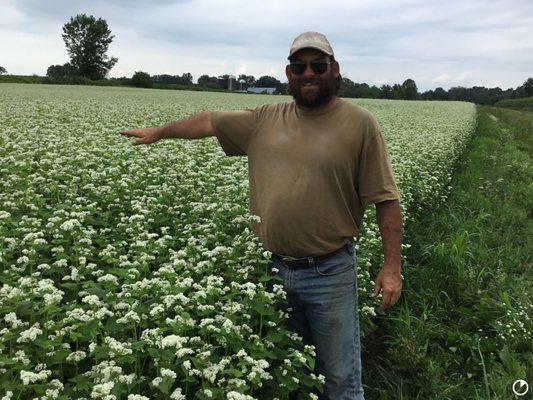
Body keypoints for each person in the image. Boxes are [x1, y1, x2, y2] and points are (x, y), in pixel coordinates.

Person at [121, 31, 403, 400]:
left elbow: (386, 198)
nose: (308, 74)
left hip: (330, 273)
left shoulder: (359, 123)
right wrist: (161, 132)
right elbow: (209, 122)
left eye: (318, 65)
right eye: (299, 66)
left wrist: (391, 267)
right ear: (288, 73)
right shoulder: (266, 118)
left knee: (340, 380)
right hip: (273, 269)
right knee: (293, 373)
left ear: (335, 70)